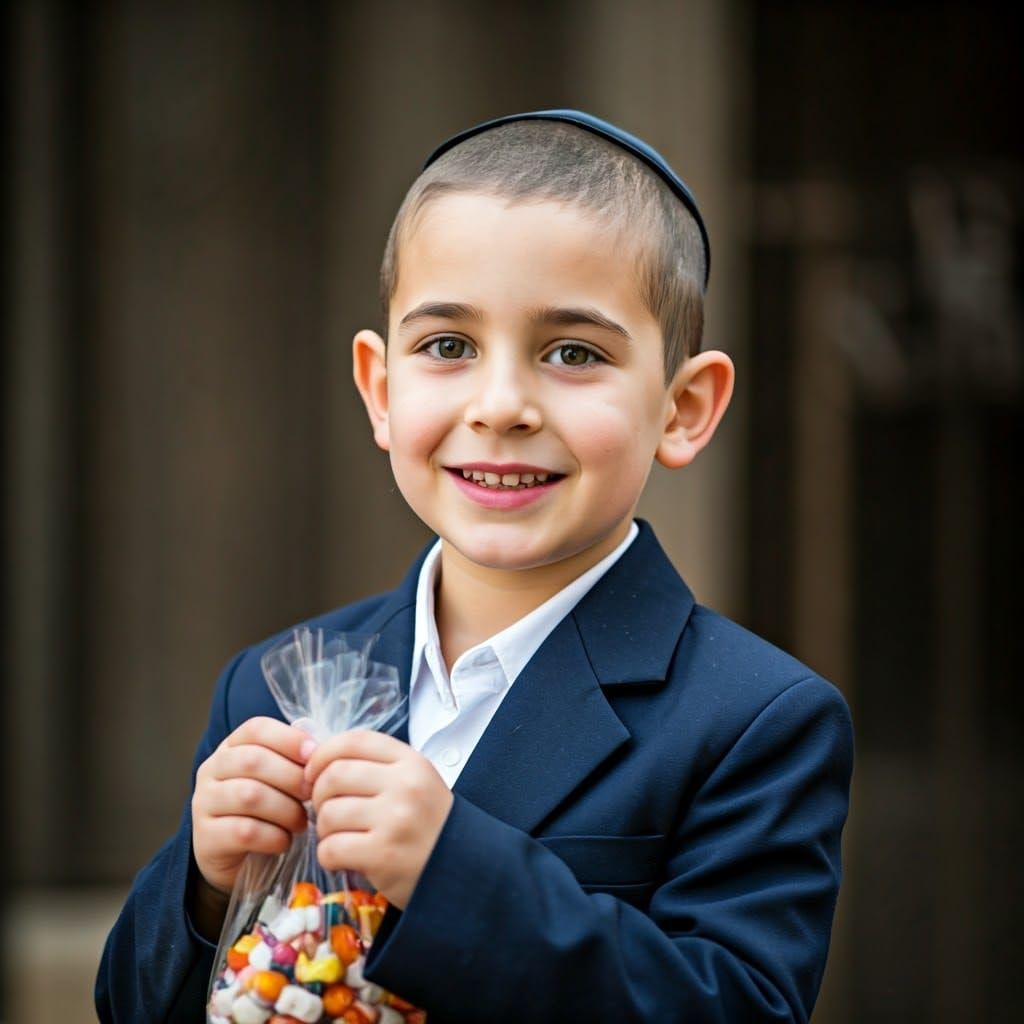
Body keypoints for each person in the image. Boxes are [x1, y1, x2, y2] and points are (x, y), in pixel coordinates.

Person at [96, 110, 853, 1023]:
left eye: (574, 353)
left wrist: (453, 869)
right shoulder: (272, 686)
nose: (500, 406)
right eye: (448, 347)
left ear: (684, 408)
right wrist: (205, 887)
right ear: (381, 389)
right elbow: (135, 1004)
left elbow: (738, 1010)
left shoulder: (755, 721)